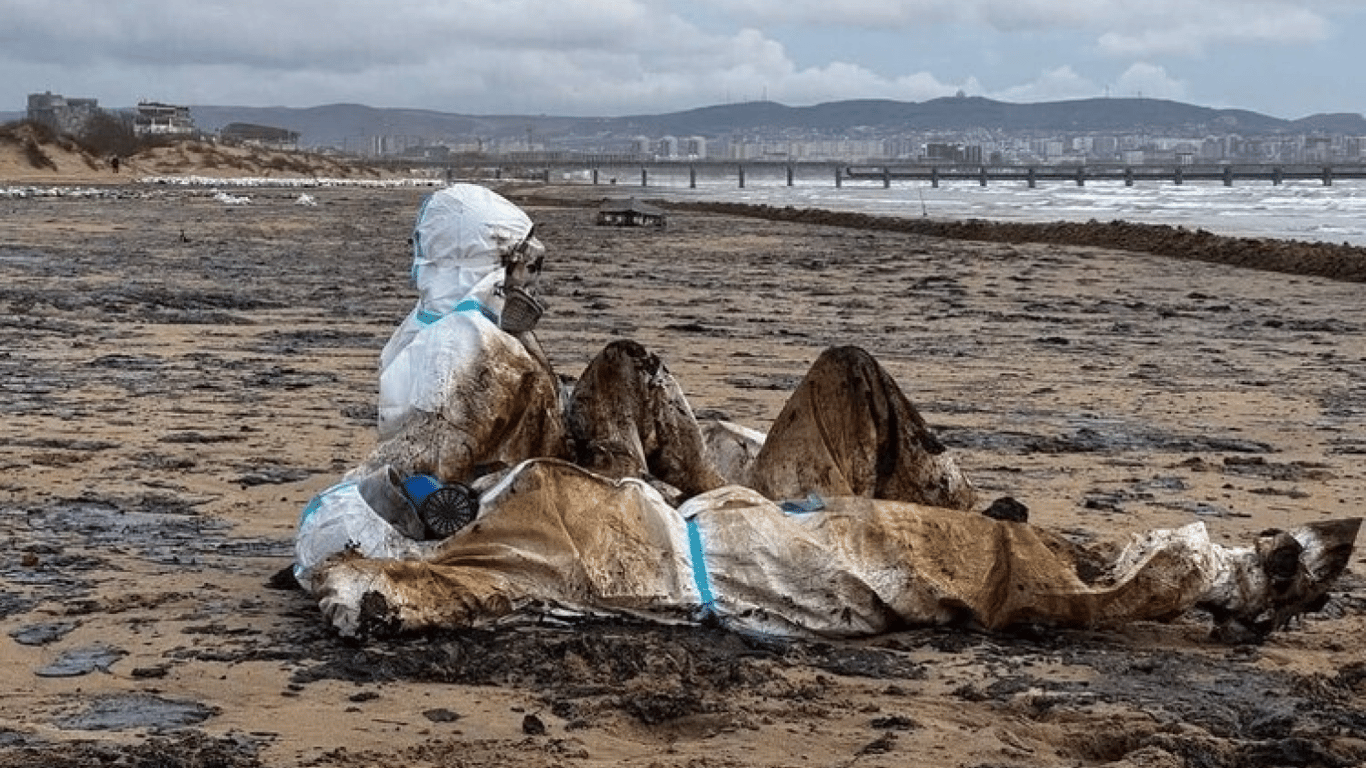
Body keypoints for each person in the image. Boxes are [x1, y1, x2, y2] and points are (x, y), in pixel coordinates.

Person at [295, 184, 1359, 643]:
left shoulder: (526, 491)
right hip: (751, 563)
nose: (541, 278)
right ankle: (1223, 574)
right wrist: (381, 551)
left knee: (947, 519)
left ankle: (1066, 537)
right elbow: (382, 588)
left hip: (729, 532)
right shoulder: (497, 504)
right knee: (979, 567)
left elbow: (371, 562)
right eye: (522, 262)